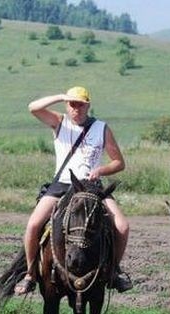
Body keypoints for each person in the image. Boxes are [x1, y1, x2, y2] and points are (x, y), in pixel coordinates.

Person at [14, 86, 132, 295]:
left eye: (80, 104)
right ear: (67, 106)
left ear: (88, 105)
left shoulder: (101, 128)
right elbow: (33, 108)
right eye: (72, 104)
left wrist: (101, 170)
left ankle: (114, 271)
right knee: (33, 224)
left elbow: (119, 163)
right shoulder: (59, 122)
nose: (76, 109)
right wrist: (61, 96)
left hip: (91, 186)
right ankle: (31, 274)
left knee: (122, 226)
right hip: (63, 184)